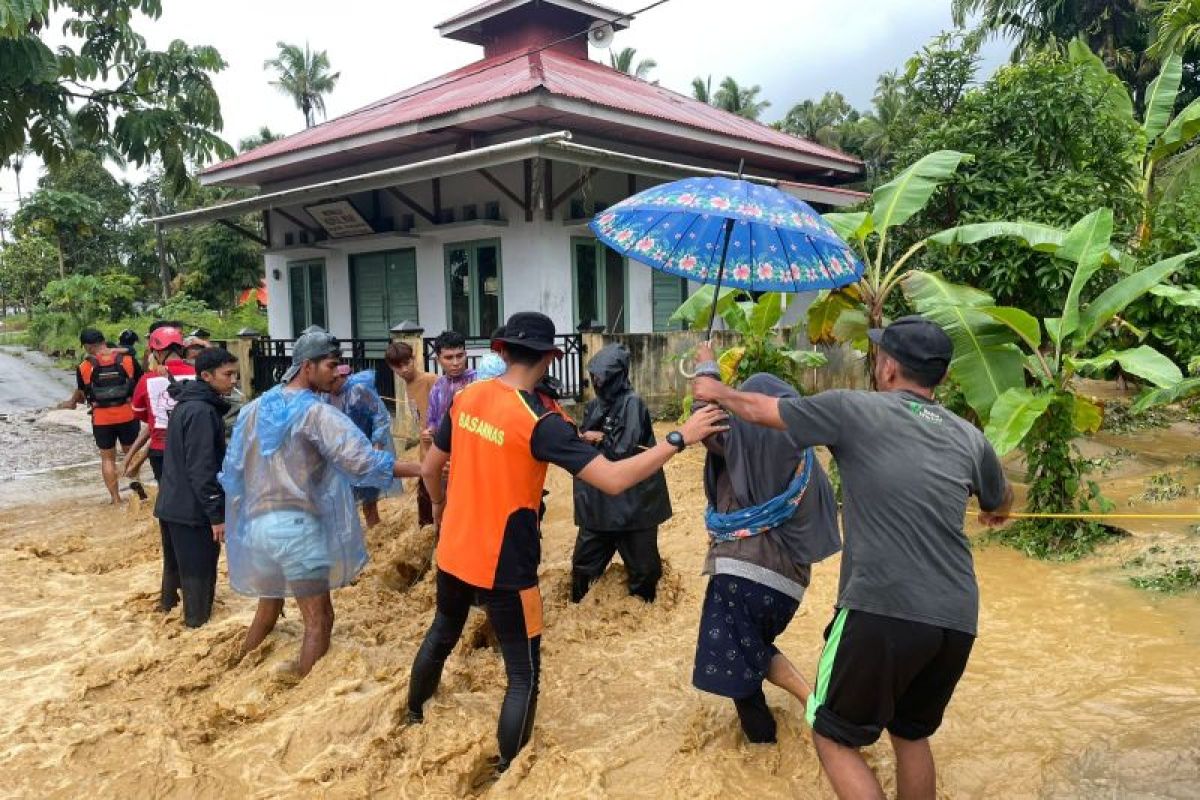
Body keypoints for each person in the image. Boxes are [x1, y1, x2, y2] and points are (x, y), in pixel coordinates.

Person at [692, 316, 1013, 800]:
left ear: (886, 369)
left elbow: (760, 410)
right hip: (958, 618)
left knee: (832, 735)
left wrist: (713, 386)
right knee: (911, 734)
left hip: (881, 607)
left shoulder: (854, 409)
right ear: (942, 378)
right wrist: (993, 514)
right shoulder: (969, 437)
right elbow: (1000, 502)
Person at [407, 311, 729, 775]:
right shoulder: (541, 421)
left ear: (500, 350)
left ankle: (414, 715)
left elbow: (430, 469)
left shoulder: (469, 397)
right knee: (523, 675)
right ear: (550, 359)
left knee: (441, 633)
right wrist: (680, 438)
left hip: (454, 549)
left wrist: (439, 509)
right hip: (505, 564)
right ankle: (507, 773)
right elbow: (615, 480)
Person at [221, 330, 421, 676]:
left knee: (269, 607)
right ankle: (301, 700)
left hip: (258, 528)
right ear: (306, 367)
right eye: (331, 365)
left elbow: (232, 471)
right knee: (320, 619)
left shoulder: (255, 408)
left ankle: (234, 673)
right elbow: (362, 464)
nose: (337, 371)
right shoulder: (316, 413)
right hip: (296, 529)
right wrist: (421, 467)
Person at [692, 370, 842, 745]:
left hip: (740, 574)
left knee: (737, 665)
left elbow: (704, 426)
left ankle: (768, 743)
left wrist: (706, 371)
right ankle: (804, 709)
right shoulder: (804, 457)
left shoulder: (748, 439)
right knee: (749, 651)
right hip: (786, 586)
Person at [571, 343, 672, 603]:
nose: (597, 381)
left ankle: (645, 619)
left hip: (634, 506)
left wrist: (594, 439)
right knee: (584, 570)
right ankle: (579, 612)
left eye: (602, 376)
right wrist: (587, 438)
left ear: (617, 376)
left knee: (644, 573)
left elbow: (623, 449)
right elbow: (581, 447)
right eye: (593, 376)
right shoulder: (594, 406)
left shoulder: (632, 403)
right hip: (598, 504)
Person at [154, 348, 240, 627]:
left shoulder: (186, 403)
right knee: (199, 585)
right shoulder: (202, 411)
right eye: (228, 374)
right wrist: (216, 515)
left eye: (235, 374)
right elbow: (202, 468)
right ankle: (194, 630)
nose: (234, 381)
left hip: (171, 506)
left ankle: (167, 636)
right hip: (193, 512)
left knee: (174, 581)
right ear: (206, 375)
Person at [60, 329, 143, 504]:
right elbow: (140, 384)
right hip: (127, 415)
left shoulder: (84, 366)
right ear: (104, 340)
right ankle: (140, 495)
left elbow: (83, 393)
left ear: (88, 346)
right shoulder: (127, 359)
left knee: (107, 458)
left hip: (102, 419)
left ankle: (115, 499)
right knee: (132, 454)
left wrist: (73, 401)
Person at [327, 365, 397, 528]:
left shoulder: (357, 391)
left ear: (341, 378)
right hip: (341, 454)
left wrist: (377, 445)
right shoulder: (325, 395)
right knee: (344, 502)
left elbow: (380, 416)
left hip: (365, 451)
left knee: (368, 502)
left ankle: (376, 537)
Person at [129, 326, 196, 482]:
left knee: (168, 496)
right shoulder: (198, 373)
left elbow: (140, 413)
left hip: (162, 449)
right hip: (195, 445)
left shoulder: (147, 379)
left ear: (157, 353)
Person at [385, 341, 438, 526]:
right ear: (392, 368)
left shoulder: (431, 380)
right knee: (425, 505)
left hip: (438, 450)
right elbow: (420, 417)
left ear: (414, 358)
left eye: (407, 363)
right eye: (398, 366)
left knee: (436, 502)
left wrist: (435, 430)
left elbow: (448, 411)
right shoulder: (409, 386)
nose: (405, 369)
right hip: (425, 451)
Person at [424, 330, 475, 441]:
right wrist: (430, 430)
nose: (456, 363)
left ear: (465, 355)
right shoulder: (437, 388)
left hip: (473, 446)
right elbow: (432, 419)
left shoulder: (478, 381)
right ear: (438, 360)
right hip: (445, 449)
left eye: (459, 356)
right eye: (449, 357)